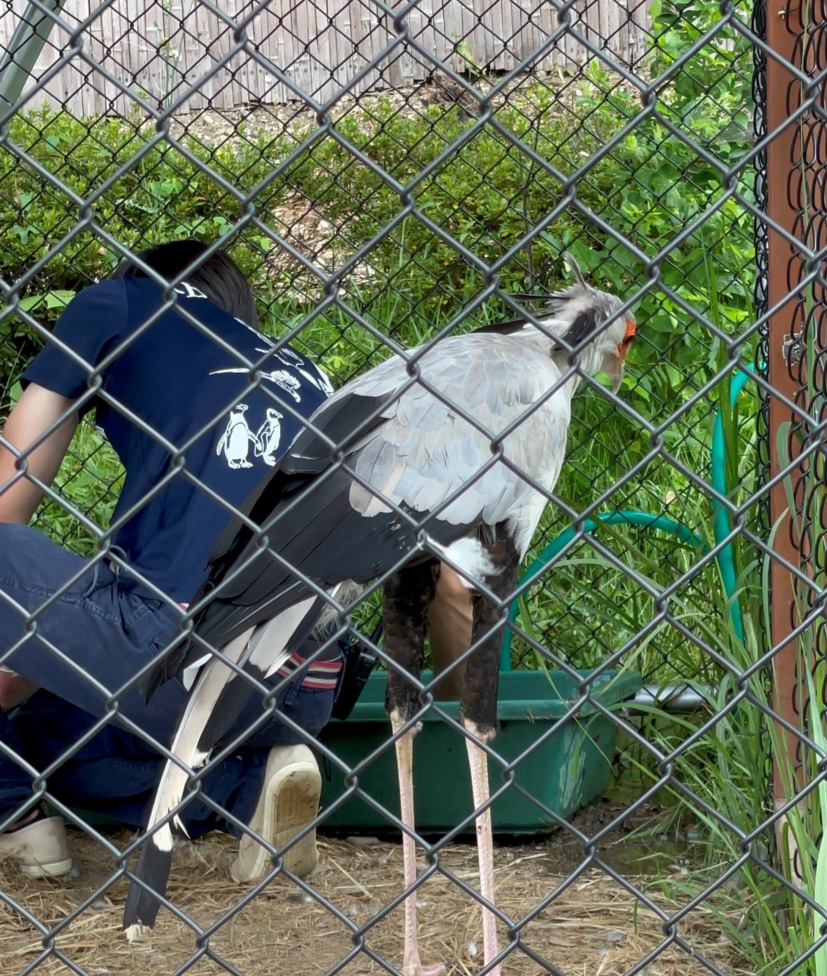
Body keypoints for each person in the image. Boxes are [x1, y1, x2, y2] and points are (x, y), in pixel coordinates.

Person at [0, 240, 473, 882]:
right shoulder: (306, 372)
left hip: (180, 646)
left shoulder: (117, 303)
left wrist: (27, 647)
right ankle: (250, 787)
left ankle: (14, 815)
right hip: (307, 676)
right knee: (54, 729)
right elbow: (447, 580)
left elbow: (10, 493)